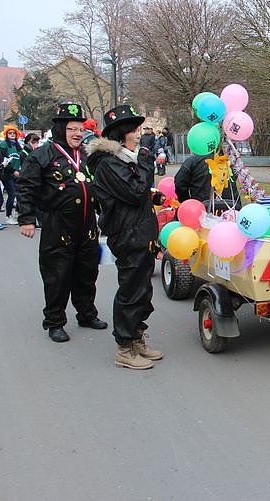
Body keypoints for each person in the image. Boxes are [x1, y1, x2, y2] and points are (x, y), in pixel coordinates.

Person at [16, 102, 107, 343]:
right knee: (57, 275)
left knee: (87, 273)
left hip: (88, 225)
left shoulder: (88, 155)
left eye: (80, 128)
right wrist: (26, 219)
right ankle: (55, 321)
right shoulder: (42, 155)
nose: (77, 133)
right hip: (58, 225)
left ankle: (86, 313)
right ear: (59, 130)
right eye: (71, 129)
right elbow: (26, 187)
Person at [86, 104, 164, 370]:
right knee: (131, 291)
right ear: (121, 135)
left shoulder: (126, 160)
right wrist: (145, 163)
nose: (139, 135)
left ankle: (137, 337)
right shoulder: (109, 163)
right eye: (134, 130)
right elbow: (133, 192)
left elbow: (138, 194)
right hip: (128, 236)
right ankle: (124, 346)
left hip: (140, 232)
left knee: (143, 290)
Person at [174, 148, 241, 211]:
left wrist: (186, 201)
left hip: (201, 209)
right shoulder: (229, 161)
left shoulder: (192, 161)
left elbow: (179, 184)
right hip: (231, 207)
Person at [0, 125, 23, 225]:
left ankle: (17, 214)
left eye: (14, 133)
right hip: (7, 174)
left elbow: (21, 158)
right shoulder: (4, 144)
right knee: (12, 195)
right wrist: (13, 171)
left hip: (18, 173)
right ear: (6, 134)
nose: (12, 135)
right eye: (10, 133)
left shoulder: (18, 145)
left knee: (19, 195)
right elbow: (3, 160)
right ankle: (8, 216)